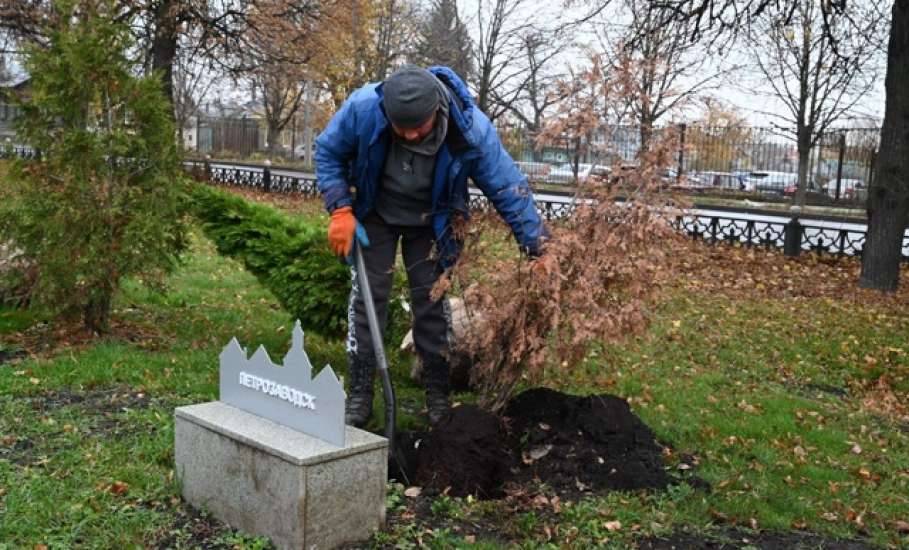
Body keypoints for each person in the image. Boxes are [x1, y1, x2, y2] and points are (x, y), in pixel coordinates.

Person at [315, 65, 547, 426]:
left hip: (433, 219)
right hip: (374, 214)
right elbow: (328, 151)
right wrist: (340, 209)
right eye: (400, 127)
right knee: (367, 298)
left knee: (431, 300)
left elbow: (506, 187)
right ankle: (360, 394)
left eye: (417, 127)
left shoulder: (470, 130)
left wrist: (537, 247)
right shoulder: (363, 108)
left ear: (436, 110)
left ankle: (437, 394)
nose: (408, 134)